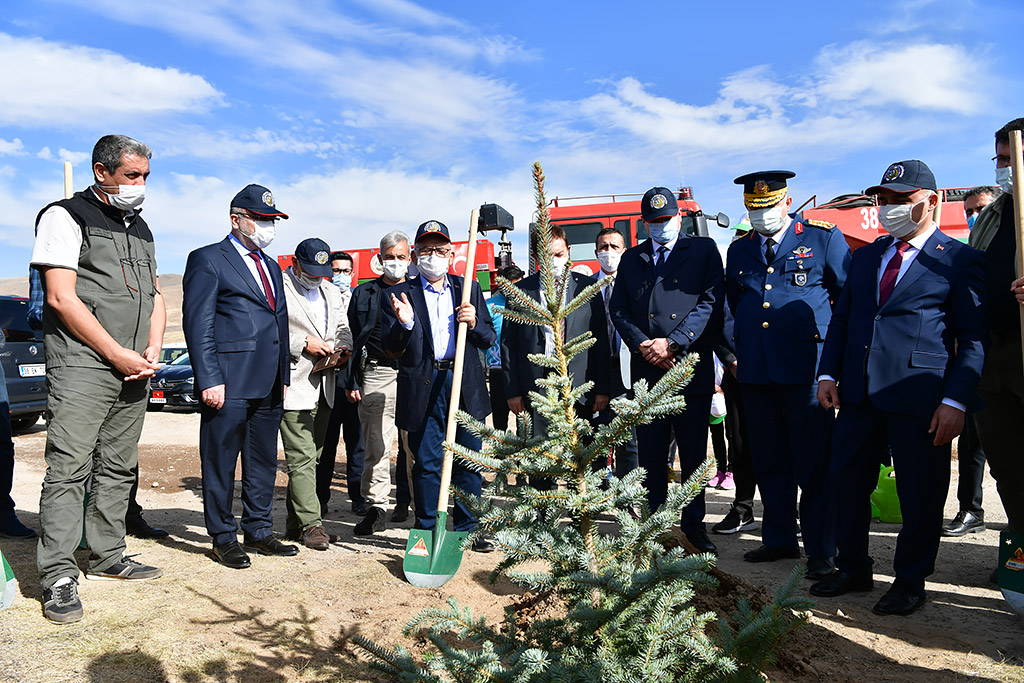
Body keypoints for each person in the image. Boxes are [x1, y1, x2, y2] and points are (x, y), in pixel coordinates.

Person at [813, 160, 987, 616]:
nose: (889, 209)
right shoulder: (869, 255)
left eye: (900, 200)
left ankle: (910, 580)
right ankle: (853, 566)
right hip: (858, 394)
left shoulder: (958, 259)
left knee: (920, 493)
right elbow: (844, 319)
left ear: (930, 202)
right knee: (847, 483)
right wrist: (828, 374)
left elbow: (972, 340)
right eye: (883, 200)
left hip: (920, 396)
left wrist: (955, 400)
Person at [31, 134, 165, 624]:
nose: (141, 186)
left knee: (118, 465)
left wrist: (152, 345)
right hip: (85, 364)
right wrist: (114, 352)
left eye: (146, 176)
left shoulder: (142, 228)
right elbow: (62, 298)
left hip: (135, 364)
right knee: (70, 466)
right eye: (132, 176)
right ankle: (59, 575)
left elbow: (155, 294)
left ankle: (109, 556)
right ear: (101, 171)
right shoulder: (64, 217)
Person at [726, 170, 851, 579]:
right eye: (753, 209)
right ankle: (778, 539)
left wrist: (835, 368)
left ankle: (822, 550)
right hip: (757, 373)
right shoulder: (739, 250)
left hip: (807, 374)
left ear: (788, 201)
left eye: (769, 207)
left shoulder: (821, 236)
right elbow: (737, 305)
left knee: (813, 465)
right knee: (769, 462)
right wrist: (735, 353)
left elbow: (846, 301)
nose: (762, 216)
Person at [182, 184, 297, 570]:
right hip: (228, 380)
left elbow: (279, 321)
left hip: (268, 381)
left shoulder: (272, 266)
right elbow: (199, 324)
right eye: (261, 219)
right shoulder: (208, 259)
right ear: (237, 219)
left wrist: (283, 374)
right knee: (220, 460)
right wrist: (208, 378)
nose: (268, 226)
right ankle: (222, 536)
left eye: (272, 220)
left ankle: (260, 530)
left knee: (262, 460)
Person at [609, 187, 724, 554]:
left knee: (692, 454)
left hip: (688, 366)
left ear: (679, 218)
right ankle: (657, 525)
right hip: (648, 369)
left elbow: (710, 302)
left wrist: (673, 343)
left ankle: (693, 526)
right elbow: (620, 310)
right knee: (652, 455)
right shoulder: (632, 258)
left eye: (667, 219)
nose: (662, 226)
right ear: (645, 224)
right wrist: (644, 343)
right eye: (654, 221)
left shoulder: (703, 251)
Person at [381, 220, 496, 552]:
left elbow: (488, 338)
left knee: (468, 460)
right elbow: (390, 347)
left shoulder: (468, 288)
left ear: (452, 254)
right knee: (428, 463)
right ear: (415, 256)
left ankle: (469, 528)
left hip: (464, 383)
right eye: (427, 250)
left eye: (440, 250)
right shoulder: (398, 294)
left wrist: (474, 323)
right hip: (422, 385)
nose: (434, 256)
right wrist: (404, 323)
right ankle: (428, 528)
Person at [26, 269, 167, 539]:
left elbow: (151, 296)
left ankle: (127, 516)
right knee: (76, 455)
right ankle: (74, 533)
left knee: (120, 455)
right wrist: (93, 324)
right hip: (82, 366)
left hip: (127, 361)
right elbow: (37, 311)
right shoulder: (57, 253)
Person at [502, 225, 610, 490]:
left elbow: (600, 341)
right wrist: (513, 390)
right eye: (547, 256)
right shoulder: (521, 290)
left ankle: (581, 517)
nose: (554, 262)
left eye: (559, 254)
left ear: (568, 252)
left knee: (582, 452)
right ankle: (543, 515)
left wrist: (602, 388)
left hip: (580, 383)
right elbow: (509, 344)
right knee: (542, 453)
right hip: (537, 384)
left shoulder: (587, 288)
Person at [279, 239, 352, 550]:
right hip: (294, 383)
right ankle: (313, 524)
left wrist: (343, 346)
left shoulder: (331, 291)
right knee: (301, 457)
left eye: (321, 273)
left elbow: (342, 325)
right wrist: (302, 343)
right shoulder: (279, 286)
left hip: (326, 384)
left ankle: (294, 525)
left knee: (317, 457)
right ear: (295, 264)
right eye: (310, 271)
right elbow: (271, 326)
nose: (316, 277)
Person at [972, 119, 1024, 540]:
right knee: (1006, 461)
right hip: (994, 357)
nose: (1002, 168)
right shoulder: (992, 214)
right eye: (999, 158)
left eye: (1009, 158)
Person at [346, 231, 415, 536]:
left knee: (416, 448)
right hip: (377, 374)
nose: (395, 263)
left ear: (409, 259)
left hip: (414, 375)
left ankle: (417, 506)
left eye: (401, 257)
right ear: (380, 258)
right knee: (376, 445)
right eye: (390, 257)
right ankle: (376, 508)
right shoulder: (364, 293)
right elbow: (350, 337)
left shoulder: (419, 291)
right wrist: (351, 379)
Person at [943, 186, 1000, 537]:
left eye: (979, 208)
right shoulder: (967, 249)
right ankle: (970, 508)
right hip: (976, 362)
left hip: (1009, 355)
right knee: (972, 442)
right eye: (968, 209)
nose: (972, 215)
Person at [317, 251, 366, 517]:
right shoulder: (320, 299)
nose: (342, 276)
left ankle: (358, 497)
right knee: (325, 445)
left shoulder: (359, 298)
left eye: (346, 271)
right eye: (336, 271)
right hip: (326, 382)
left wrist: (355, 381)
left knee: (356, 444)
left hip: (354, 385)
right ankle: (320, 498)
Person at [590, 228, 639, 479]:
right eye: (603, 247)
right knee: (595, 439)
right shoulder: (584, 288)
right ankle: (596, 497)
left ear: (624, 251)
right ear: (596, 252)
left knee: (628, 441)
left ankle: (627, 496)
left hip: (626, 372)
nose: (608, 252)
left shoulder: (634, 285)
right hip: (593, 373)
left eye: (614, 246)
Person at [485, 264, 524, 433]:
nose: (514, 290)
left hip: (522, 369)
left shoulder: (527, 304)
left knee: (524, 418)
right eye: (510, 286)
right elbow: (482, 337)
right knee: (500, 418)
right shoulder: (489, 306)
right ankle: (501, 454)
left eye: (518, 285)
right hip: (498, 370)